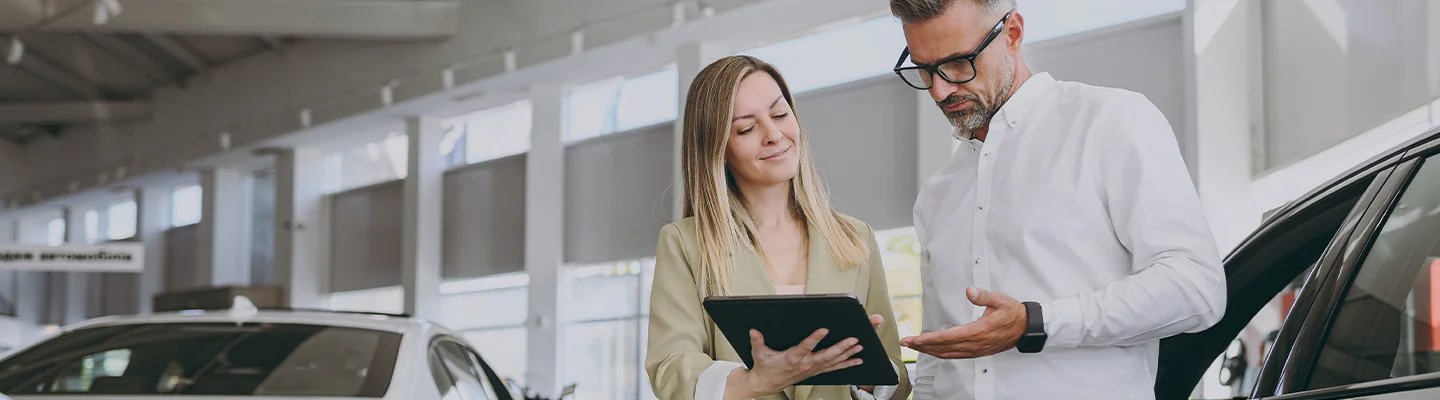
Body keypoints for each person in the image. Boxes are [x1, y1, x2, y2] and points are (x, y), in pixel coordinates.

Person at [889, 0, 1228, 399]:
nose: (940, 89)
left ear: (1012, 33)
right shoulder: (936, 195)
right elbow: (937, 365)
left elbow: (1196, 288)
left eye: (959, 63)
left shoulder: (1110, 122)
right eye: (924, 70)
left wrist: (1036, 322)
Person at [645, 55, 913, 400]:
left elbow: (897, 379)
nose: (774, 135)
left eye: (780, 114)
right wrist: (756, 381)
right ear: (717, 149)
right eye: (746, 128)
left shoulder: (854, 237)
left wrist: (869, 373)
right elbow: (671, 370)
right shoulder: (685, 244)